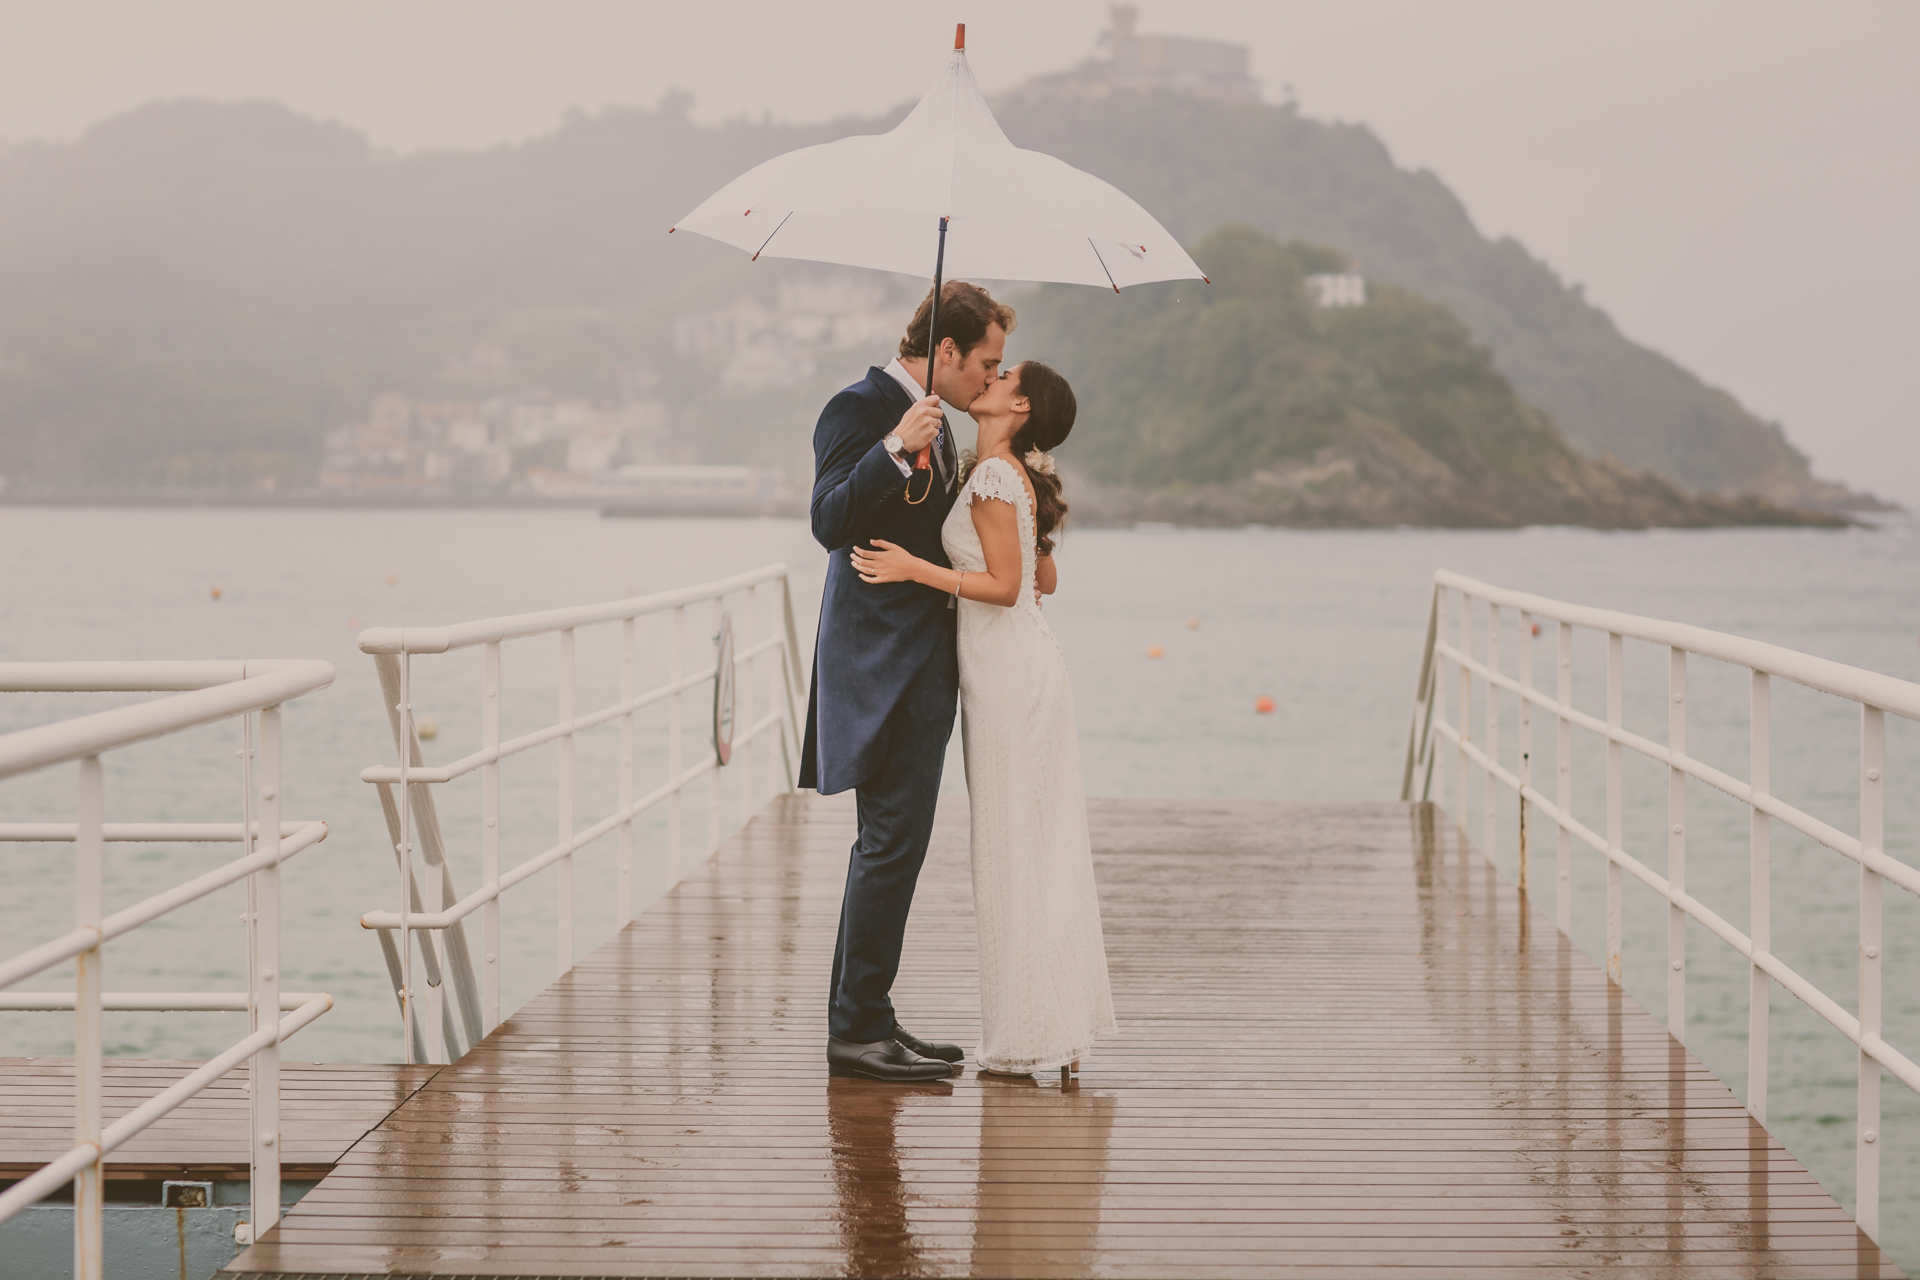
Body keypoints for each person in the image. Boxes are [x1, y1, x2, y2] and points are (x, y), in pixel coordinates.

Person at [852, 361, 1117, 1078]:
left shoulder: (998, 476)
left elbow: (1006, 588)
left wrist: (916, 569)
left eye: (1002, 376)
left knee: (1015, 843)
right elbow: (1043, 579)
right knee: (1029, 842)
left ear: (1020, 403)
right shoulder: (1004, 473)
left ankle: (1033, 1029)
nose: (989, 378)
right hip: (1019, 668)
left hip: (1009, 678)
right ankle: (1043, 1023)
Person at [802, 280, 1014, 1083]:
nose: (991, 380)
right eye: (984, 365)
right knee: (889, 845)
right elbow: (828, 521)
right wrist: (892, 449)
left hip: (923, 663)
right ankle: (856, 1031)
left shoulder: (947, 425)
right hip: (878, 665)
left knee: (896, 847)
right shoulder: (857, 407)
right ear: (946, 350)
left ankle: (870, 1015)